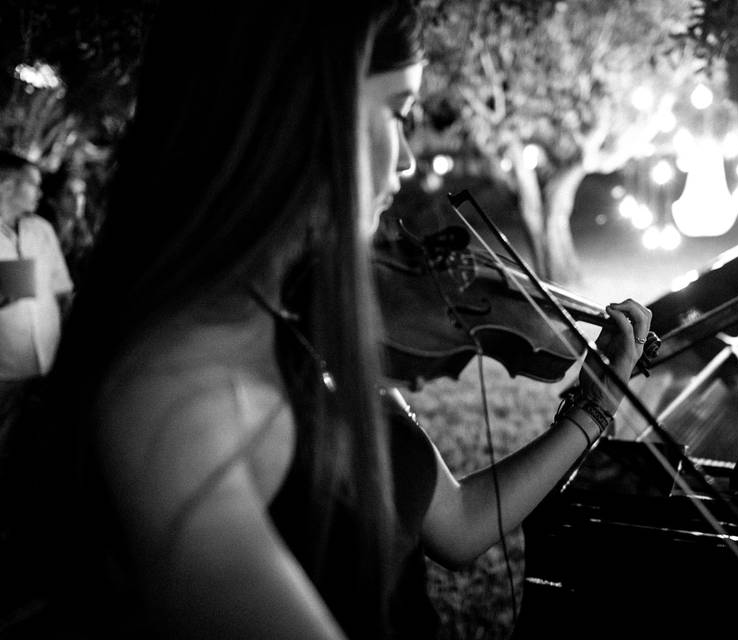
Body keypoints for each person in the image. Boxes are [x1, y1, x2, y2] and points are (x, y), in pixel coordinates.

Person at [3, 1, 652, 639]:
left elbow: (457, 526)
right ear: (299, 113)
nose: (405, 160)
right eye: (396, 112)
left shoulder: (289, 322)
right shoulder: (182, 393)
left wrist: (593, 409)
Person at [0, 151, 73, 403]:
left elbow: (61, 290)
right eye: (34, 186)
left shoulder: (41, 230)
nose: (41, 194)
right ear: (8, 186)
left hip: (48, 366)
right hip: (4, 370)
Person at [36, 165, 95, 282]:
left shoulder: (84, 237)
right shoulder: (39, 233)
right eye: (69, 194)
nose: (78, 200)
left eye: (81, 193)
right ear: (52, 200)